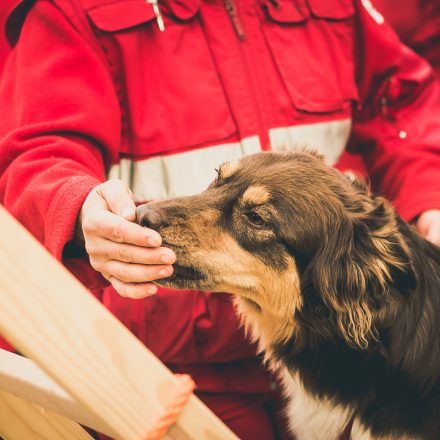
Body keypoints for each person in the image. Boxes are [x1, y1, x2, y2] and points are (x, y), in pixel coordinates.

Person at [0, 0, 440, 439]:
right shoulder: (68, 11)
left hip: (347, 353)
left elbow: (399, 103)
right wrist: (79, 210)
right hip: (178, 378)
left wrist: (430, 198)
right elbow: (37, 157)